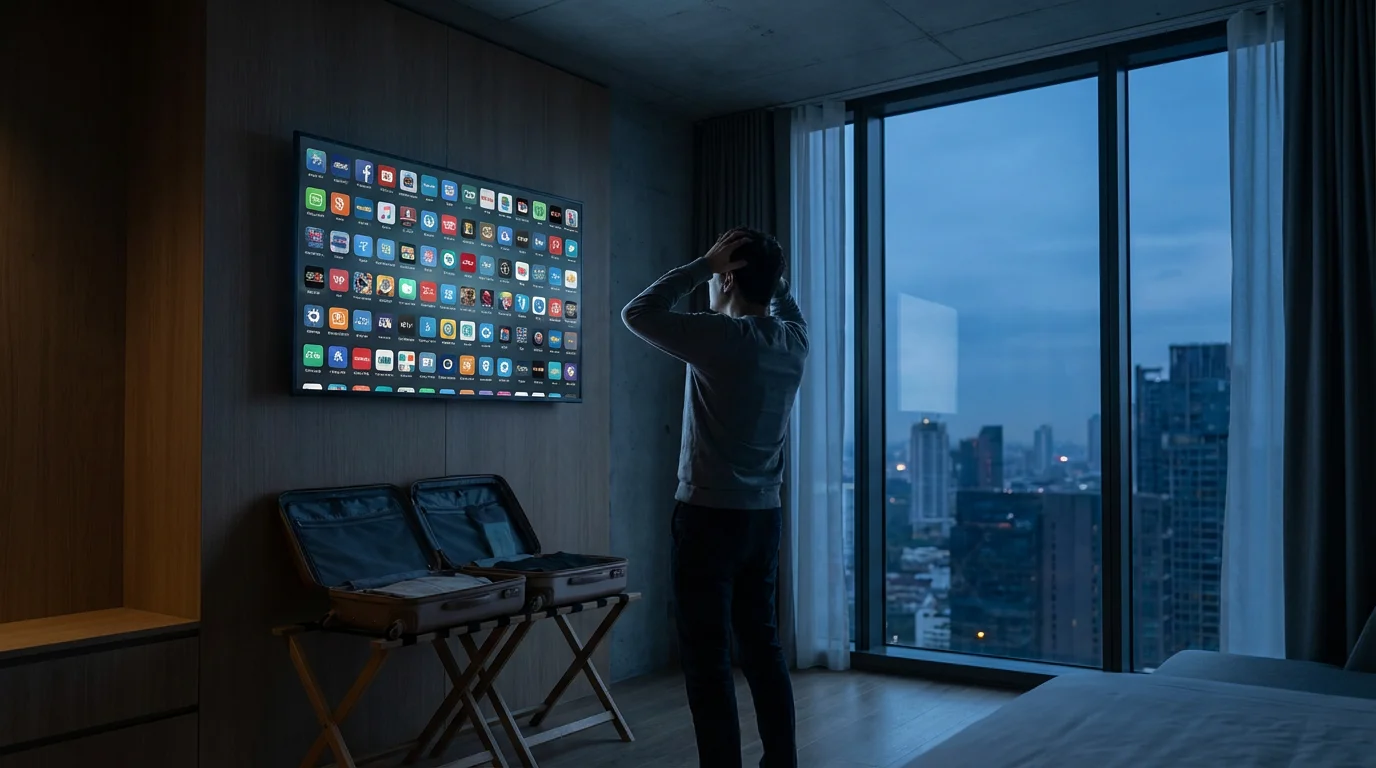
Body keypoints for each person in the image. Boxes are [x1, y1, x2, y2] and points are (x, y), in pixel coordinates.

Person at [622, 228, 807, 768]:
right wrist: (763, 274)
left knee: (707, 661)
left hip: (707, 519)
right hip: (763, 518)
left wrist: (701, 266)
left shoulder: (720, 338)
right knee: (763, 648)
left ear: (727, 276)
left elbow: (639, 311)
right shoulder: (794, 341)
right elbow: (784, 304)